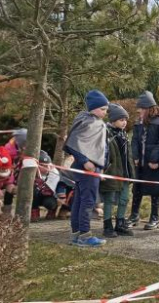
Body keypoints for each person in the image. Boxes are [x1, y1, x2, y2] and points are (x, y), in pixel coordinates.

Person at [63, 89, 109, 247]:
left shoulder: (91, 121)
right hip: (87, 170)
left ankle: (76, 234)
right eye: (102, 109)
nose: (105, 112)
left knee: (79, 200)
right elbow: (73, 143)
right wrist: (84, 161)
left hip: (92, 169)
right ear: (93, 108)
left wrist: (101, 166)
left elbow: (100, 147)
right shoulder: (88, 121)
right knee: (87, 201)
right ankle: (85, 235)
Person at [129, 91, 159, 230]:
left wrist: (156, 160)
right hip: (141, 163)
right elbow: (134, 140)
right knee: (137, 189)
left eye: (141, 109)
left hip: (155, 164)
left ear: (148, 108)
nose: (139, 111)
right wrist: (135, 156)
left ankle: (155, 218)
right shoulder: (139, 123)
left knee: (155, 190)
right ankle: (134, 216)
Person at [99, 103, 135, 238]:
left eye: (125, 119)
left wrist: (131, 171)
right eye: (121, 120)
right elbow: (103, 154)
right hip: (112, 173)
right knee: (109, 199)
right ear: (113, 120)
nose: (125, 122)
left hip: (124, 173)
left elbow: (128, 155)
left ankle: (120, 223)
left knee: (124, 199)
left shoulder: (123, 134)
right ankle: (107, 225)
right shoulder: (106, 134)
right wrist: (103, 169)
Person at [32, 150, 61, 221]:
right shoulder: (32, 171)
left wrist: (38, 182)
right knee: (33, 191)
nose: (46, 167)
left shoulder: (54, 172)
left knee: (50, 203)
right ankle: (34, 211)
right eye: (42, 165)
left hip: (49, 195)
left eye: (47, 165)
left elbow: (49, 190)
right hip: (37, 194)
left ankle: (52, 210)